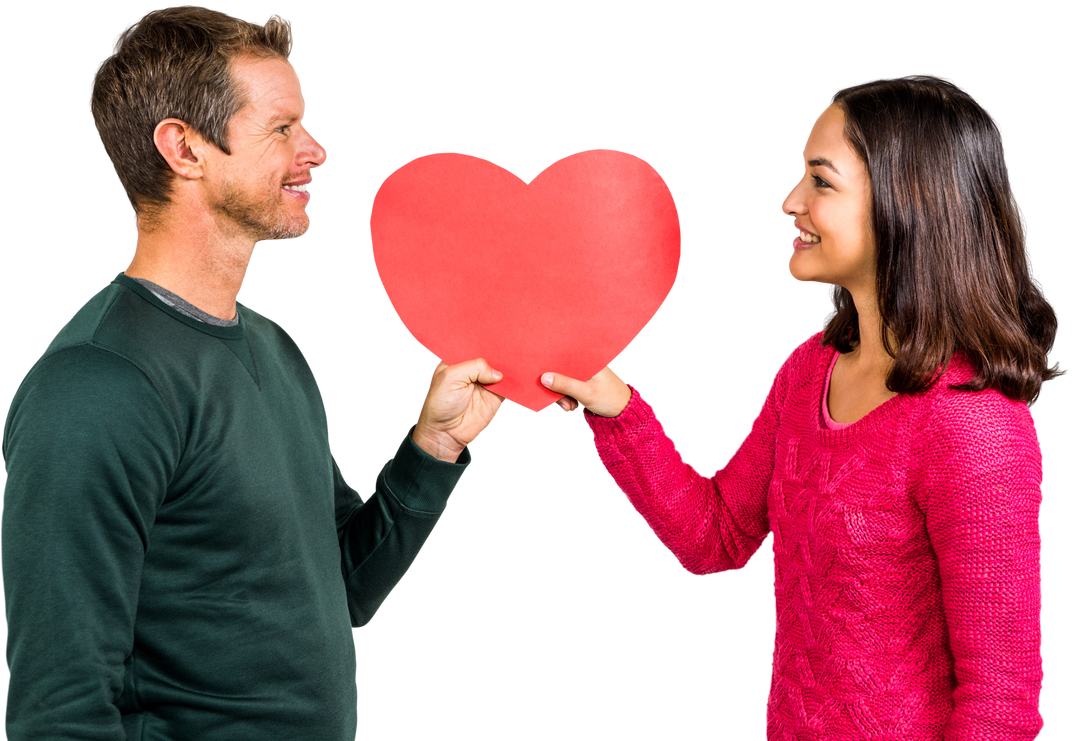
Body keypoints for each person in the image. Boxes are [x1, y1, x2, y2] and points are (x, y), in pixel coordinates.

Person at [2, 5, 504, 739]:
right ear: (184, 149)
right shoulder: (95, 384)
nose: (318, 150)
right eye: (282, 128)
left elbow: (340, 591)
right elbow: (58, 712)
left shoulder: (275, 346)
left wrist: (433, 448)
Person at [541, 73, 1063, 739]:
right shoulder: (806, 369)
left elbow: (1001, 703)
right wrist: (614, 405)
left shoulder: (976, 424)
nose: (790, 201)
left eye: (821, 180)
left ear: (908, 201)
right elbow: (717, 535)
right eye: (799, 176)